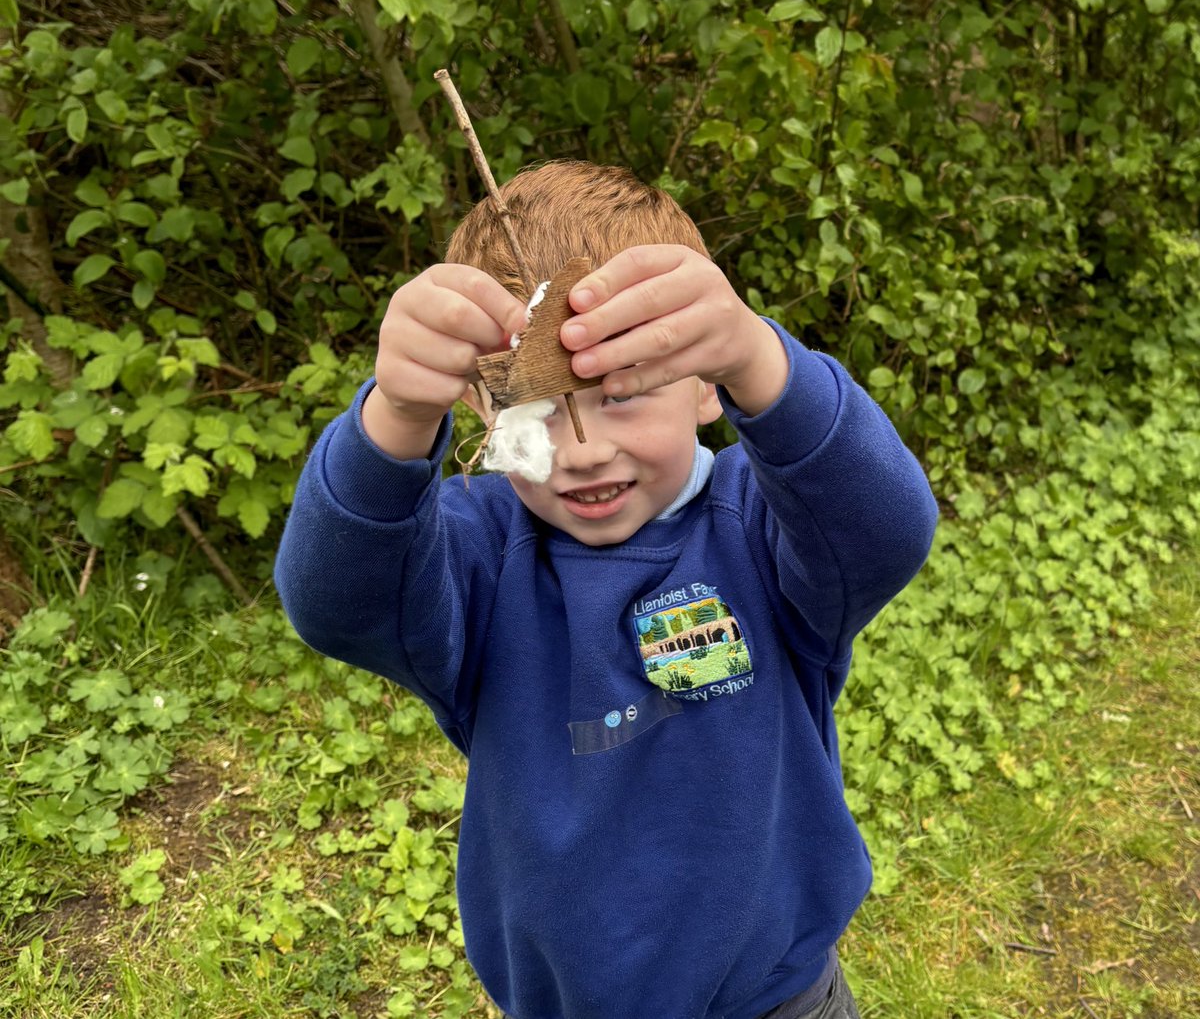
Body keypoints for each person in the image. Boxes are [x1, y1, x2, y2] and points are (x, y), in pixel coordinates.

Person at [275, 161, 938, 1019]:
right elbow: (335, 604)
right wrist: (395, 418)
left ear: (706, 384)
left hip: (782, 1000)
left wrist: (759, 357)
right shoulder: (474, 552)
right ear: (480, 409)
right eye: (531, 407)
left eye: (622, 394)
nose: (582, 449)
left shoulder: (764, 528)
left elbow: (885, 527)